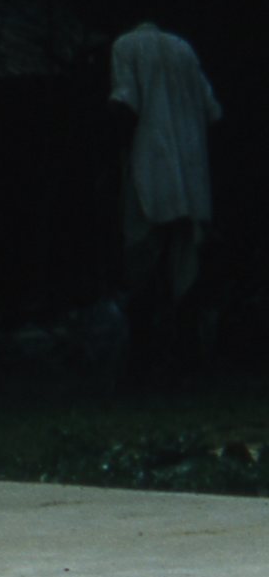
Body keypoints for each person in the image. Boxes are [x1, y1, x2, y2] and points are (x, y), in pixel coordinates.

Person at [111, 20, 225, 374]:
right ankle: (187, 359)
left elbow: (125, 104)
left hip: (150, 173)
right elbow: (212, 111)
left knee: (142, 264)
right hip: (191, 179)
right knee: (185, 267)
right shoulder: (183, 49)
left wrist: (113, 159)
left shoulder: (125, 46)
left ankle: (143, 360)